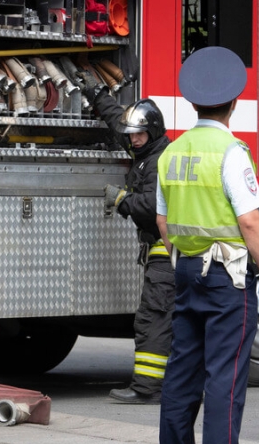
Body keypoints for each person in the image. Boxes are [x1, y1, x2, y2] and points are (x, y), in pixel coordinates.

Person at [155, 47, 259, 444]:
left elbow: (164, 223)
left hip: (186, 271)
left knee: (182, 374)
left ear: (192, 104)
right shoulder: (231, 152)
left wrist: (185, 259)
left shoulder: (172, 152)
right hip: (228, 276)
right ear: (233, 103)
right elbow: (250, 221)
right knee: (225, 377)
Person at [80, 73, 173, 405]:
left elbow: (151, 207)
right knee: (165, 319)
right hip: (161, 250)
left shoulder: (159, 160)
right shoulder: (147, 151)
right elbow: (116, 118)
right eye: (132, 135)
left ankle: (147, 388)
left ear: (154, 131)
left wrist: (120, 200)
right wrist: (94, 93)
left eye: (139, 134)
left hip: (167, 250)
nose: (132, 140)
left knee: (153, 318)